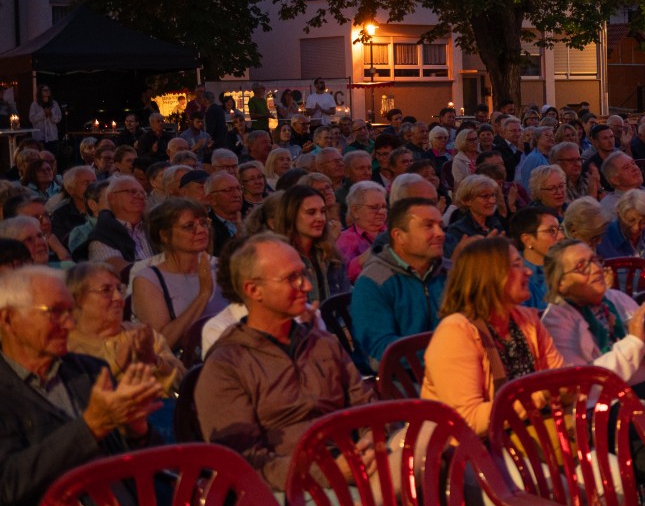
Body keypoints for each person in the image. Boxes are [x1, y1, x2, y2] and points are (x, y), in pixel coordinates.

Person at [196, 235, 375, 490]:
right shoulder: (227, 365)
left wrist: (374, 444)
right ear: (253, 290)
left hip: (355, 466)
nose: (306, 286)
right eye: (292, 278)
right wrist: (329, 473)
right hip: (290, 490)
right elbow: (243, 462)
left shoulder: (322, 343)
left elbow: (367, 408)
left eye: (303, 274)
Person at [0, 265, 163, 506]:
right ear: (8, 319)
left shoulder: (90, 371)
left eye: (70, 312)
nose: (70, 324)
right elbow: (8, 484)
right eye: (55, 312)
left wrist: (137, 433)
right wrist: (90, 428)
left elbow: (148, 467)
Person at [421, 236, 563, 435]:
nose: (528, 272)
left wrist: (568, 387)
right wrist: (542, 394)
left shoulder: (527, 319)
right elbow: (467, 420)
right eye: (517, 266)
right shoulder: (456, 332)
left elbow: (559, 377)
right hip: (476, 448)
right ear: (489, 276)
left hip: (530, 433)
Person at [541, 239, 645, 398]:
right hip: (608, 405)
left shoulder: (616, 298)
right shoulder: (556, 322)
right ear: (560, 284)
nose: (596, 269)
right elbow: (582, 386)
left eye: (595, 260)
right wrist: (634, 341)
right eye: (581, 267)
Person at [67, 261, 184, 422]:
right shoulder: (68, 347)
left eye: (119, 289)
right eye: (106, 290)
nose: (118, 298)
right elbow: (80, 405)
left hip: (168, 418)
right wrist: (118, 365)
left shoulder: (142, 334)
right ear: (78, 299)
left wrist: (156, 361)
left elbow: (184, 383)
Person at [350, 196, 449, 366]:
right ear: (399, 236)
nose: (440, 234)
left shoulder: (452, 272)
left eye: (440, 226)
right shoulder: (374, 282)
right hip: (403, 376)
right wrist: (446, 352)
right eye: (428, 226)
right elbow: (379, 352)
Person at [130, 197, 229, 356]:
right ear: (164, 235)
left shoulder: (221, 268)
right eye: (189, 226)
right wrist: (203, 295)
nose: (201, 230)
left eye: (203, 223)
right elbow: (161, 345)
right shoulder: (148, 280)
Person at [596, 188, 645, 279]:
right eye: (631, 221)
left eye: (643, 222)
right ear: (619, 215)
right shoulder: (602, 239)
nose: (636, 228)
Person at [509, 206, 564, 308]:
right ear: (528, 240)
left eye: (560, 229)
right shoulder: (517, 280)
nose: (561, 236)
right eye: (551, 231)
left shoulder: (565, 267)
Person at [444, 174, 506, 258]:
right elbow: (454, 262)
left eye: (493, 195)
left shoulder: (495, 223)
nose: (492, 201)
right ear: (467, 201)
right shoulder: (458, 230)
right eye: (485, 196)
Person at [337, 180, 387, 282]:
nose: (382, 212)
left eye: (383, 206)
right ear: (355, 211)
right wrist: (368, 255)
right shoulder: (345, 239)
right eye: (374, 207)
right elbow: (344, 275)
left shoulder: (393, 232)